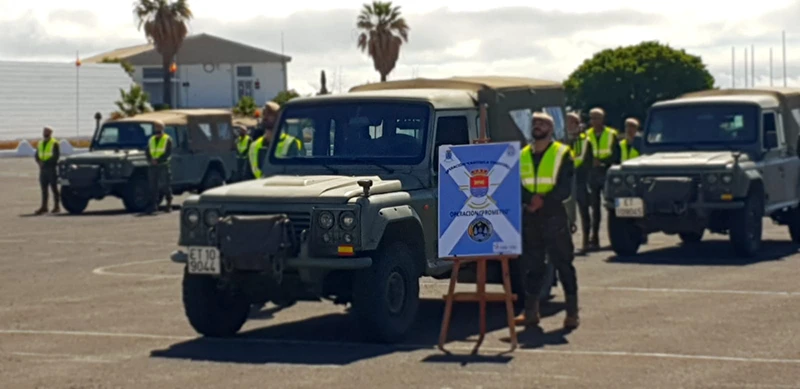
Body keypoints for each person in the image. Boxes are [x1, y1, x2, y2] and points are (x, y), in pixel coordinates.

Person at [515, 111, 580, 330]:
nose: (538, 126)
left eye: (542, 123)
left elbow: (564, 188)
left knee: (563, 263)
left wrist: (543, 201)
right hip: (531, 216)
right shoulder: (523, 154)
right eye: (535, 123)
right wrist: (529, 200)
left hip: (554, 215)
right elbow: (516, 184)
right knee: (532, 266)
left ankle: (572, 312)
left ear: (551, 129)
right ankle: (531, 312)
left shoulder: (562, 153)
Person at [585, 108, 621, 251]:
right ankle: (594, 238)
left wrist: (602, 161)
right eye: (592, 118)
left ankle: (616, 238)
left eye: (597, 118)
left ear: (603, 119)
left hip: (607, 173)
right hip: (593, 174)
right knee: (595, 208)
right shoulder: (586, 135)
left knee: (612, 207)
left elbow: (616, 156)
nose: (594, 121)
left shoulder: (611, 134)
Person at [249, 102, 305, 178]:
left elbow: (296, 172)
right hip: (259, 188)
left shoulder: (291, 143)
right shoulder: (254, 146)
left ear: (279, 117)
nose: (265, 117)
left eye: (270, 114)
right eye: (264, 113)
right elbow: (246, 176)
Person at [567, 112, 593, 254]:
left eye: (571, 123)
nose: (568, 126)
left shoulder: (585, 141)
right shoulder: (562, 140)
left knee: (584, 212)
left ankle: (586, 241)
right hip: (566, 181)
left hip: (580, 181)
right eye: (567, 123)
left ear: (578, 125)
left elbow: (585, 162)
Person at [145, 122, 173, 213]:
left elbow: (168, 153)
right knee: (153, 186)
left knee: (165, 185)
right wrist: (150, 160)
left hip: (163, 165)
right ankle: (153, 205)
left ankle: (168, 204)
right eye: (156, 130)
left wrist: (158, 160)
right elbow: (147, 151)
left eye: (159, 130)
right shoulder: (151, 140)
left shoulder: (167, 139)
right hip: (153, 166)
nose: (157, 133)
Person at [34, 126, 60, 215]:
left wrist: (45, 163)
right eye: (44, 131)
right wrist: (39, 162)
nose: (44, 133)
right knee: (44, 189)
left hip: (51, 169)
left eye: (46, 131)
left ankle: (57, 206)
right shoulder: (40, 143)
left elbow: (55, 157)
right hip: (43, 169)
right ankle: (44, 207)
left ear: (50, 133)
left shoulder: (54, 143)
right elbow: (37, 154)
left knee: (54, 188)